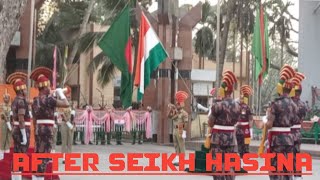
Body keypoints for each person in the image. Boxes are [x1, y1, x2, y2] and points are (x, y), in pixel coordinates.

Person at [30, 66, 70, 180]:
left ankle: (35, 177)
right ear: (44, 87)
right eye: (48, 86)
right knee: (44, 158)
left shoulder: (35, 100)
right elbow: (66, 103)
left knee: (38, 156)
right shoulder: (49, 99)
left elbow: (34, 119)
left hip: (38, 129)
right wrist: (59, 92)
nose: (50, 88)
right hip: (47, 130)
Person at [264, 64, 297, 180]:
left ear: (280, 88)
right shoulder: (294, 105)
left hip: (276, 140)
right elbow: (292, 122)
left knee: (275, 168)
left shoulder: (275, 104)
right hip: (289, 139)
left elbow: (269, 125)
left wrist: (266, 119)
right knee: (287, 168)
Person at [208, 70, 239, 180]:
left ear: (224, 89)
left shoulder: (217, 105)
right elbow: (236, 121)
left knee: (218, 164)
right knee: (230, 164)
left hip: (218, 138)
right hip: (231, 138)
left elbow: (210, 123)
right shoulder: (237, 106)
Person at [6, 72, 31, 180]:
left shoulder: (15, 100)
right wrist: (24, 134)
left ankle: (16, 177)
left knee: (17, 155)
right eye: (25, 89)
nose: (26, 91)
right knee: (21, 156)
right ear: (21, 90)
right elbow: (21, 119)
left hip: (17, 129)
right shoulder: (21, 101)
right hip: (21, 130)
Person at [290, 72, 307, 180]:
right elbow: (302, 119)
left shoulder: (288, 103)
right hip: (297, 132)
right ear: (300, 92)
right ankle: (298, 176)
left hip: (287, 132)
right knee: (297, 155)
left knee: (286, 156)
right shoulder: (303, 105)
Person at [167, 91, 189, 166]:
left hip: (180, 128)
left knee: (181, 146)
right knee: (176, 145)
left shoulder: (184, 113)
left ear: (182, 105)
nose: (177, 105)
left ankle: (182, 161)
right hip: (174, 129)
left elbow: (185, 123)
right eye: (177, 104)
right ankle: (177, 159)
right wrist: (171, 109)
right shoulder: (175, 112)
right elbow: (168, 116)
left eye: (178, 104)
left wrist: (182, 131)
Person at [236, 85, 253, 173]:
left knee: (246, 143)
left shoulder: (247, 107)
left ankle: (245, 156)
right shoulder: (236, 106)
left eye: (244, 97)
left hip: (245, 127)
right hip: (238, 127)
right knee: (239, 141)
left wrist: (250, 125)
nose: (242, 99)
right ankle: (240, 154)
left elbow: (250, 117)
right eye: (241, 97)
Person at [0, 89, 12, 160]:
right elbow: (2, 114)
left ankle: (7, 151)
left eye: (7, 98)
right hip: (4, 123)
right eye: (5, 98)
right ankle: (1, 153)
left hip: (10, 123)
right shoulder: (1, 105)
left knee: (8, 138)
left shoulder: (11, 105)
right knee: (3, 138)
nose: (5, 99)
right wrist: (5, 117)